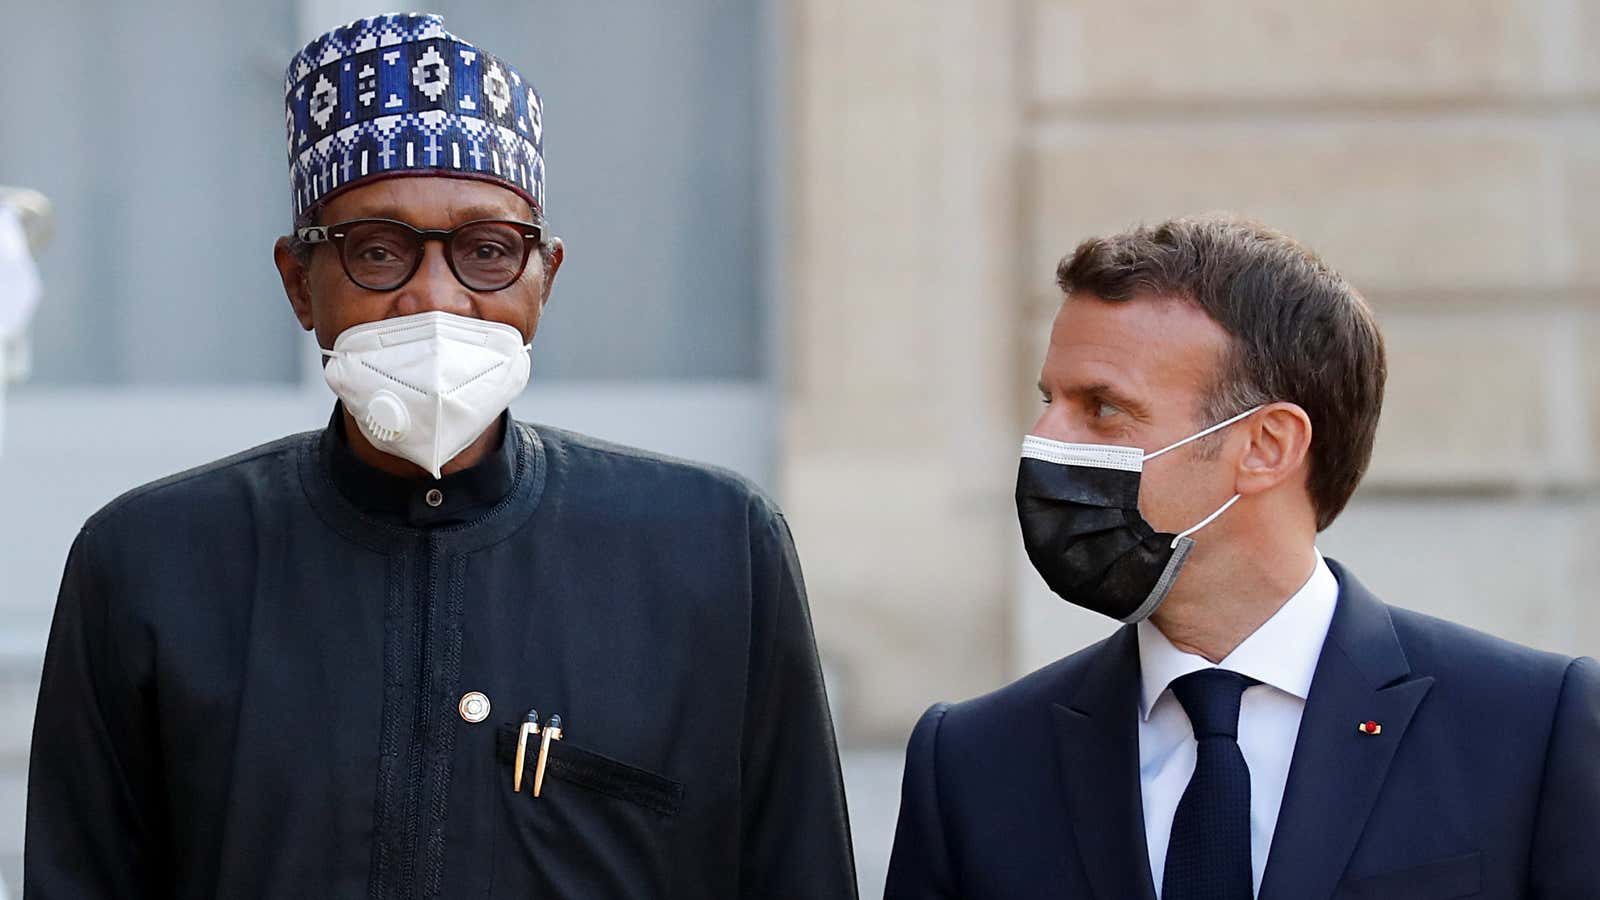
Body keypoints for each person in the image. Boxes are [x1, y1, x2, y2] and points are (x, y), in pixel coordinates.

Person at [24, 14, 855, 899]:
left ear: (546, 277)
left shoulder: (712, 550)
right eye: (376, 250)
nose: (434, 297)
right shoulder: (153, 563)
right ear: (299, 282)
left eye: (487, 251)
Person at [884, 214, 1599, 899]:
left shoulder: (1532, 731)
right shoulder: (974, 763)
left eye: (1101, 407)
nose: (1045, 439)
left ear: (1265, 447)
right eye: (1049, 401)